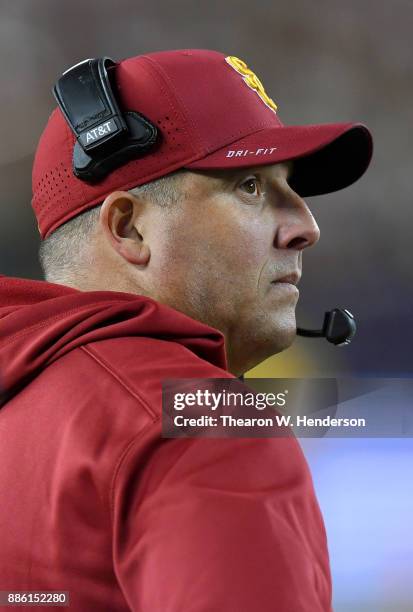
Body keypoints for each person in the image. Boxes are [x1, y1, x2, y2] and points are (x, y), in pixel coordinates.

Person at [0, 50, 372, 611]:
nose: (305, 227)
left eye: (290, 188)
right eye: (249, 186)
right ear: (129, 228)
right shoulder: (205, 421)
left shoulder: (19, 401)